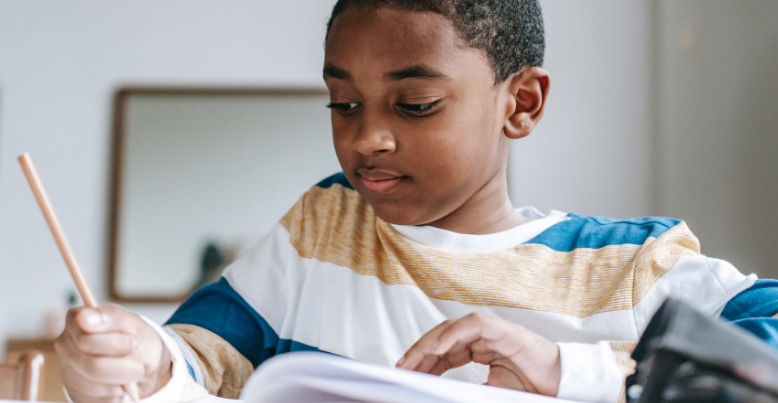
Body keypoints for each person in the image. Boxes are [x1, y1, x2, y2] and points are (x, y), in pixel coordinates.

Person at [55, 1, 778, 402]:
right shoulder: (322, 229)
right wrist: (140, 359)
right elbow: (199, 358)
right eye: (343, 102)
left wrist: (565, 369)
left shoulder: (627, 264)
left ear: (520, 103)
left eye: (416, 104)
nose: (368, 135)